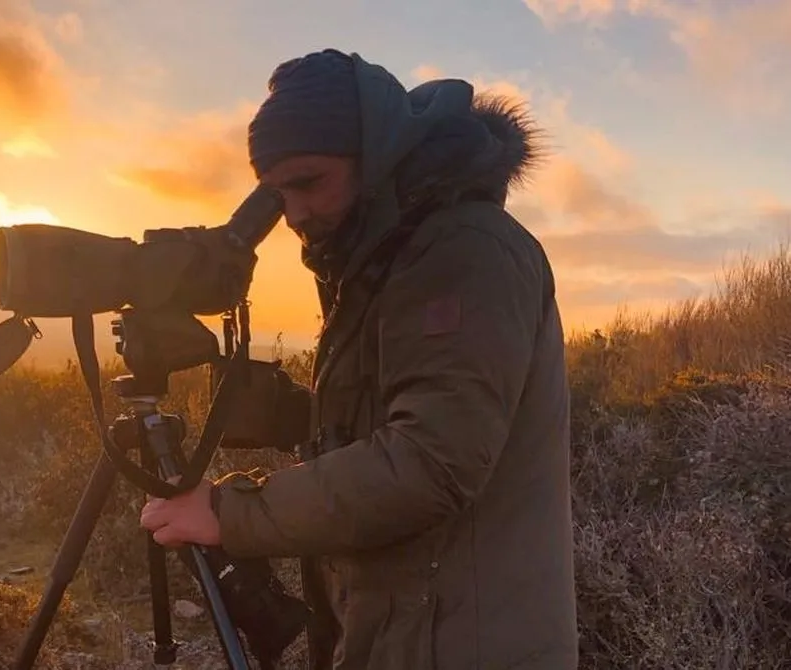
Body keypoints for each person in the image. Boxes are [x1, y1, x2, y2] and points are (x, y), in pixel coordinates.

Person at [140, 49, 579, 670]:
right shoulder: (384, 256)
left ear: (375, 160)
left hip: (464, 642)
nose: (294, 213)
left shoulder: (465, 252)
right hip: (401, 626)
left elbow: (431, 461)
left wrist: (229, 514)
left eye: (310, 181)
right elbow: (409, 408)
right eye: (277, 193)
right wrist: (300, 417)